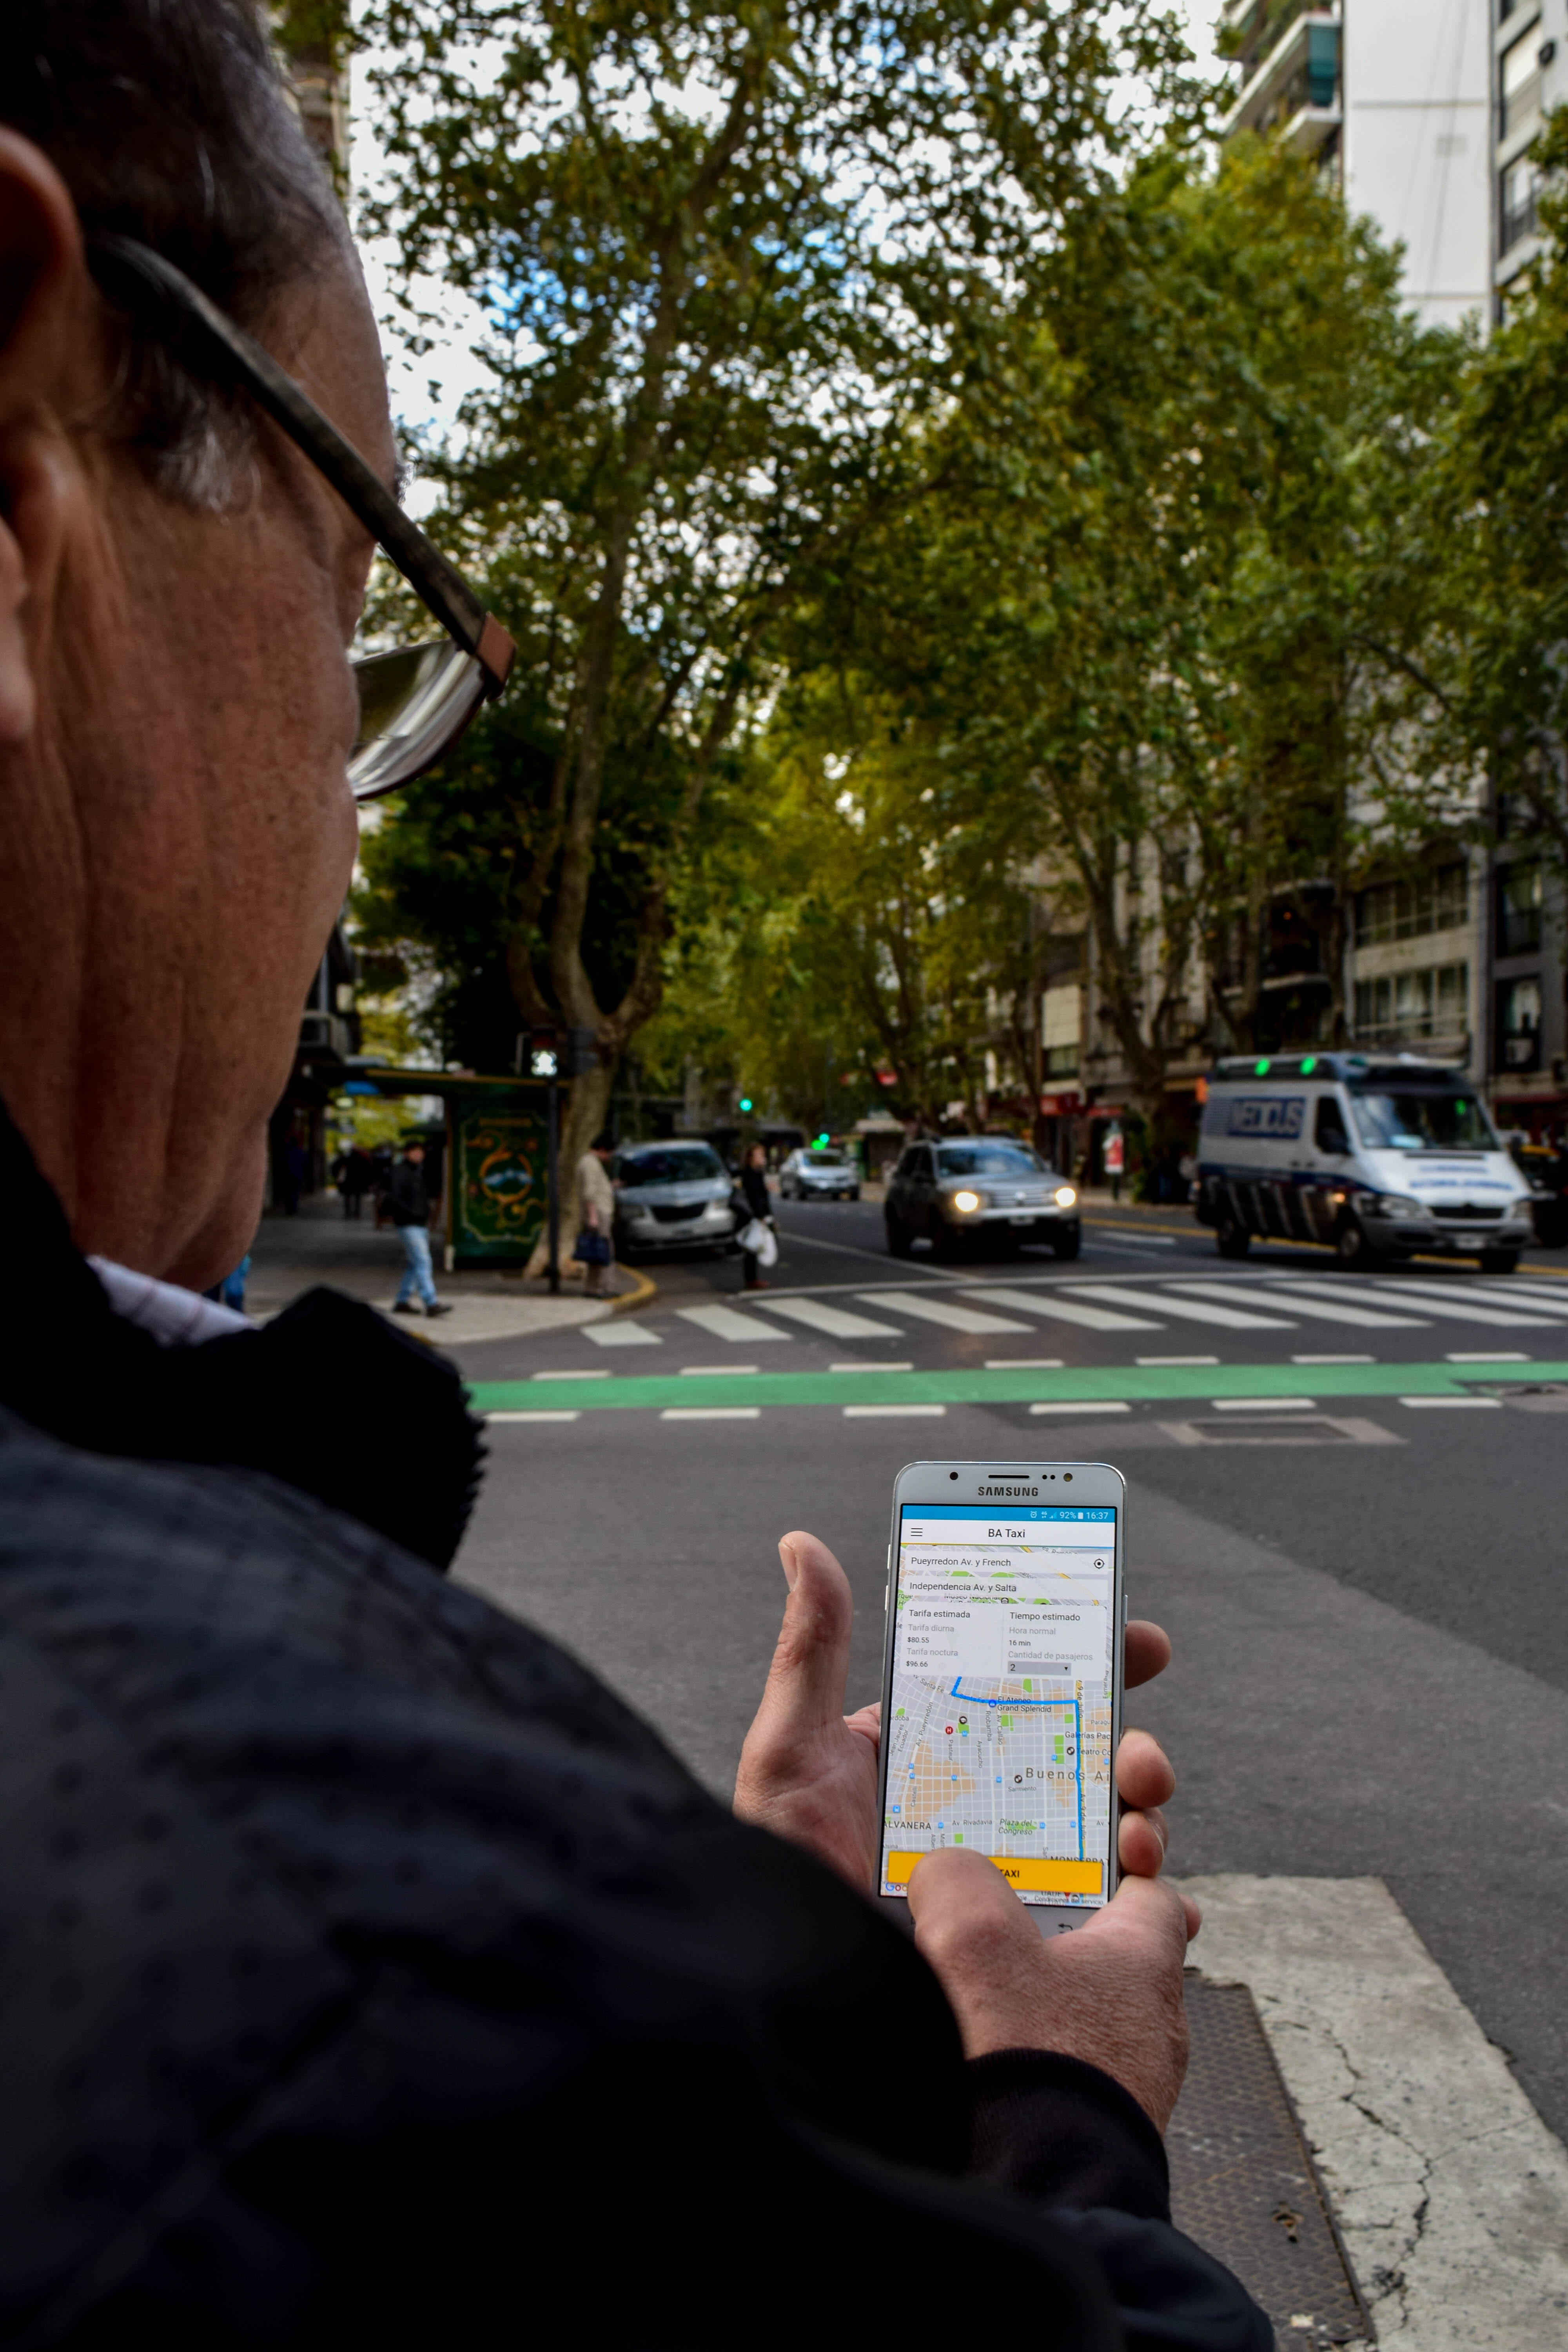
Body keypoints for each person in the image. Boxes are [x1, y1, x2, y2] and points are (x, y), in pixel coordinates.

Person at [0, 10, 1267, 2342]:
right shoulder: (362, 1907)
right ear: (13, 474)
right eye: (350, 637)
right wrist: (1044, 2096)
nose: (343, 812)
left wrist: (746, 1976)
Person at [388, 1140, 450, 1318]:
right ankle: (431, 1302)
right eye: (415, 1152)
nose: (419, 1155)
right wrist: (412, 1214)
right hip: (408, 1223)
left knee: (415, 1263)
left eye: (421, 1152)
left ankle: (402, 1300)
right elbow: (395, 1198)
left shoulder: (418, 1171)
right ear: (407, 1153)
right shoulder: (401, 1172)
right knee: (423, 1261)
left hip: (418, 1223)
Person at [574, 1132, 618, 1298]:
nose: (610, 1157)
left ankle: (593, 1287)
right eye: (610, 1152)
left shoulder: (588, 1163)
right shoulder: (591, 1165)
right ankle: (601, 1288)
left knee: (597, 1251)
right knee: (603, 1251)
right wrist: (593, 1217)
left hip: (597, 1211)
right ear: (602, 1149)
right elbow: (589, 1193)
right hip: (599, 1212)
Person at [736, 1137, 776, 1289]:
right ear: (751, 1158)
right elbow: (754, 1198)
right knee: (753, 1246)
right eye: (759, 1155)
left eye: (763, 1155)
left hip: (759, 1215)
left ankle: (752, 1278)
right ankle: (751, 1279)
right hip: (753, 1217)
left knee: (755, 1246)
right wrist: (761, 1217)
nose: (763, 1158)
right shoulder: (750, 1175)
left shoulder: (757, 1173)